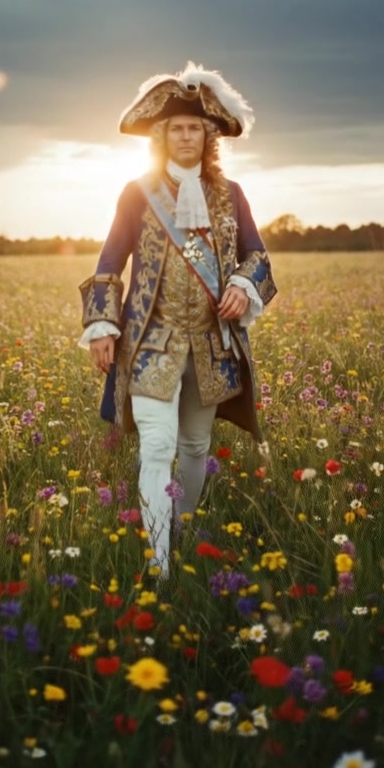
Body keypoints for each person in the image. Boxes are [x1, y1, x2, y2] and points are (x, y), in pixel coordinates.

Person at [78, 60, 277, 580]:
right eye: (176, 129)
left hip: (213, 345)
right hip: (150, 341)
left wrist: (240, 283)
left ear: (208, 136)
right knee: (157, 446)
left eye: (195, 128)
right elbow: (107, 264)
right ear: (161, 136)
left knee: (194, 447)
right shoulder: (137, 193)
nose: (186, 136)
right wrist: (103, 327)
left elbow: (258, 257)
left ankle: (182, 526)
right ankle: (159, 564)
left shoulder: (231, 194)